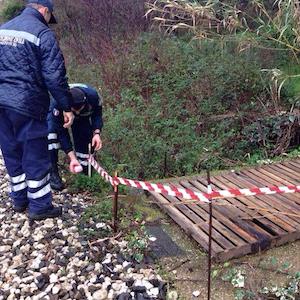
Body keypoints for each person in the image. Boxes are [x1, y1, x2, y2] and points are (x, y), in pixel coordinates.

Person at [0, 0, 80, 220]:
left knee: (11, 150)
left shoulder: (3, 28)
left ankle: (19, 199)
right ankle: (40, 205)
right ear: (44, 11)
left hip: (1, 103)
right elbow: (55, 76)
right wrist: (66, 106)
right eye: (49, 17)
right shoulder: (42, 33)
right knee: (34, 153)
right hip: (27, 103)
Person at [48, 83, 103, 191]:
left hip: (83, 116)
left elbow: (97, 115)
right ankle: (52, 172)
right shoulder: (57, 103)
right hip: (60, 114)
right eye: (75, 109)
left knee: (84, 138)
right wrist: (71, 157)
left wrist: (97, 133)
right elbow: (61, 132)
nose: (77, 111)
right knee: (52, 136)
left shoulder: (93, 97)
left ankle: (85, 172)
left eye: (79, 108)